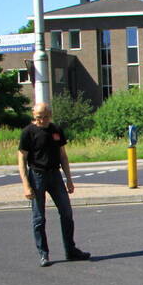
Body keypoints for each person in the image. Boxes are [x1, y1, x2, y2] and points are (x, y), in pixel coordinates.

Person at [18, 103, 91, 267]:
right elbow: (21, 159)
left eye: (45, 117)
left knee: (66, 213)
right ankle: (43, 254)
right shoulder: (28, 132)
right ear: (33, 115)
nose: (41, 120)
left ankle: (70, 250)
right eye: (38, 117)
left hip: (55, 175)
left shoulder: (56, 130)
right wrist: (25, 185)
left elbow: (63, 156)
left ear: (50, 115)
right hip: (37, 175)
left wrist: (69, 179)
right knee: (39, 217)